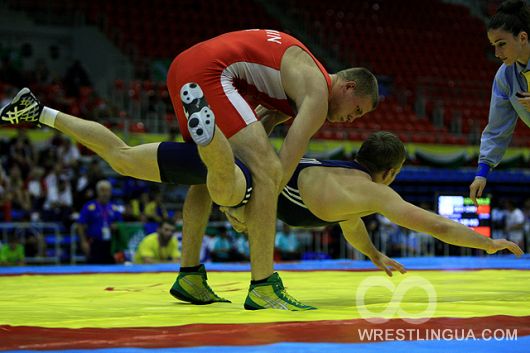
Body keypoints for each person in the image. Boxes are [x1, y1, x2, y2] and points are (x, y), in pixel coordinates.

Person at [0, 92, 522, 309]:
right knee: (231, 192)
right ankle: (212, 144)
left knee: (118, 155)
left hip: (246, 165)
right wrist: (487, 241)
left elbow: (352, 224)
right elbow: (434, 225)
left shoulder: (344, 183)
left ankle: (41, 113)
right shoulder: (374, 193)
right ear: (392, 170)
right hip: (243, 183)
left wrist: (374, 256)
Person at [166, 29, 378, 310]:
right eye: (358, 110)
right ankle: (263, 284)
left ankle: (189, 275)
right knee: (269, 170)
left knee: (210, 165)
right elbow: (281, 168)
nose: (352, 119)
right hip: (210, 71)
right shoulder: (316, 95)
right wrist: (245, 210)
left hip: (183, 66)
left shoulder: (297, 83)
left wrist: (245, 200)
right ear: (348, 86)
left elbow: (255, 132)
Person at [469, 0, 530, 205]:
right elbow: (497, 129)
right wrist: (481, 173)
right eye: (494, 46)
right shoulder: (504, 76)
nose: (496, 53)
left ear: (522, 37)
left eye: (501, 43)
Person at [76, 180, 122, 264]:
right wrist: (83, 242)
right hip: (94, 243)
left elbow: (121, 224)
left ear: (110, 192)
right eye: (102, 190)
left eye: (107, 190)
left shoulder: (114, 208)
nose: (105, 193)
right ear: (97, 192)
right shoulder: (89, 207)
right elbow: (80, 224)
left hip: (110, 244)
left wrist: (116, 226)